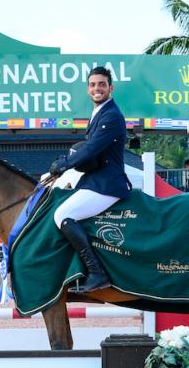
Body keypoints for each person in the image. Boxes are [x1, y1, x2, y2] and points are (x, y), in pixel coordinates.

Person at [47, 66, 130, 292]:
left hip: (107, 184)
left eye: (102, 84)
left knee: (62, 214)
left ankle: (96, 272)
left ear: (110, 88)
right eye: (93, 85)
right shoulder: (99, 112)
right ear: (88, 89)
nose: (97, 88)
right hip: (95, 180)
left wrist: (64, 163)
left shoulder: (111, 115)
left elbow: (91, 149)